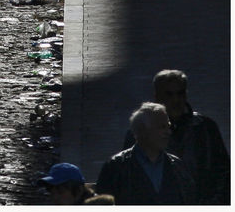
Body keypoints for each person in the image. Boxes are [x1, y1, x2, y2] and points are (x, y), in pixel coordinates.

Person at [121, 70, 230, 204]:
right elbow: (131, 181)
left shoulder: (206, 128)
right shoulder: (138, 133)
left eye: (180, 93)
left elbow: (224, 174)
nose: (176, 100)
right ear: (157, 97)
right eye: (169, 94)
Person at [95, 102, 197, 203]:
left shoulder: (177, 166)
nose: (169, 132)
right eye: (162, 127)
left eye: (168, 126)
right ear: (142, 131)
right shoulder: (116, 167)